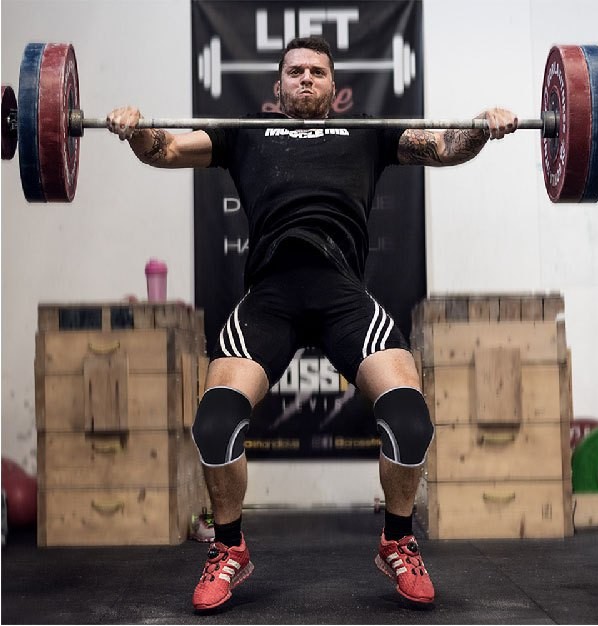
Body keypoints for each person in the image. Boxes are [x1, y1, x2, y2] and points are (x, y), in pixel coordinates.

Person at [107, 36, 518, 611]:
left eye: (317, 72)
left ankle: (398, 539)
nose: (305, 78)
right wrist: (135, 130)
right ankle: (229, 547)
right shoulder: (244, 133)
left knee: (409, 419)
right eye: (295, 71)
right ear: (277, 85)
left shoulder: (367, 132)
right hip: (270, 297)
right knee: (215, 423)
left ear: (334, 86)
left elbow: (446, 147)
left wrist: (482, 128)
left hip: (342, 295)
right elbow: (166, 149)